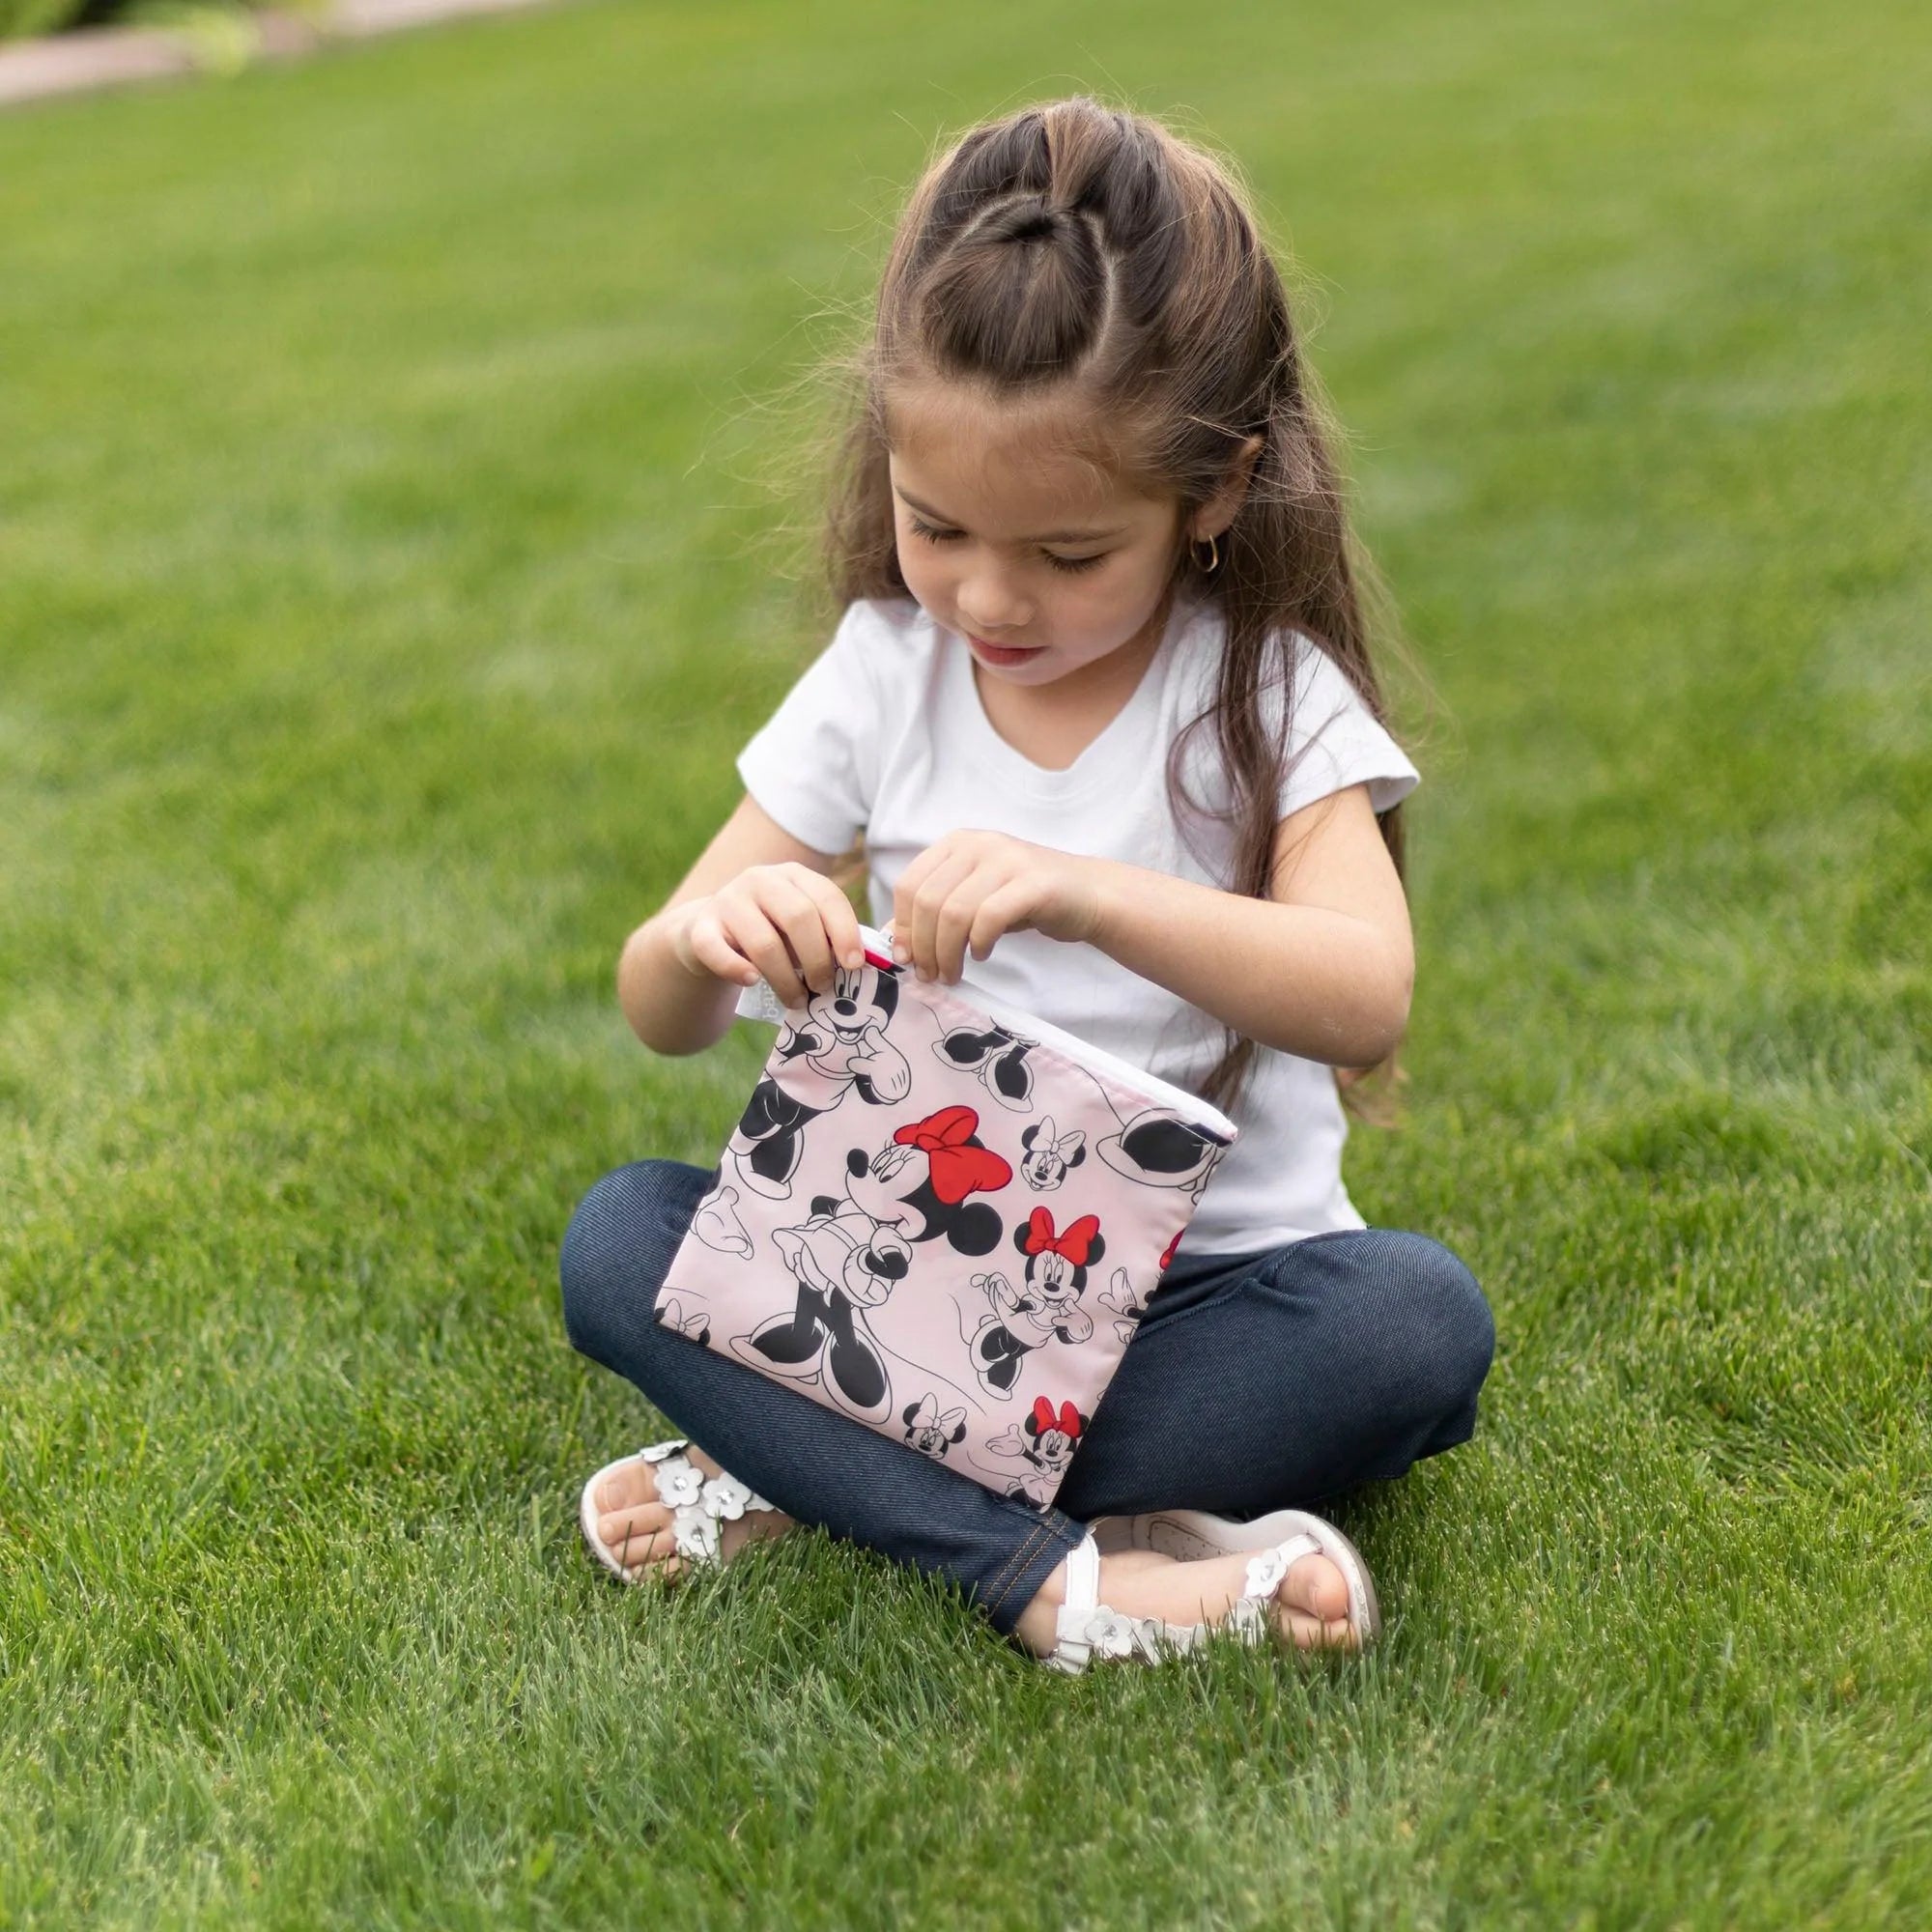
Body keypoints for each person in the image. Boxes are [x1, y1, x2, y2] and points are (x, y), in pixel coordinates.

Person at [560, 98, 1495, 1672]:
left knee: (1415, 1326)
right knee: (616, 1239)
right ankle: (1077, 1587)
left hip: (1208, 1307)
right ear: (893, 461)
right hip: (911, 1287)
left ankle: (826, 1477)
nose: (990, 595)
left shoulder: (1265, 699)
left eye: (1070, 556)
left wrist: (1086, 888)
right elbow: (658, 1005)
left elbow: (1364, 987)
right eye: (939, 529)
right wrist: (710, 934)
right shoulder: (883, 679)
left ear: (1212, 492)